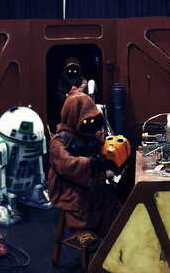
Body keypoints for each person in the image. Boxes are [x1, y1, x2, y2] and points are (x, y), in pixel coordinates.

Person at [47, 88, 122, 248]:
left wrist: (116, 157)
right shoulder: (59, 141)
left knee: (108, 193)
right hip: (65, 185)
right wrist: (91, 164)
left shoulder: (92, 136)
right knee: (79, 197)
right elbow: (65, 162)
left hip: (90, 181)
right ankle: (82, 230)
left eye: (93, 121)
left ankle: (109, 230)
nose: (90, 125)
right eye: (86, 121)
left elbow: (104, 147)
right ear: (73, 116)